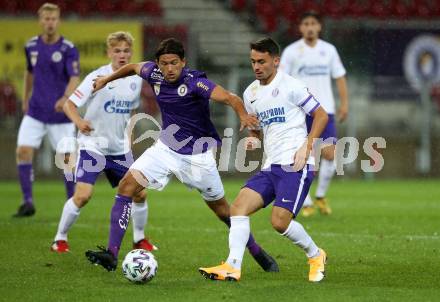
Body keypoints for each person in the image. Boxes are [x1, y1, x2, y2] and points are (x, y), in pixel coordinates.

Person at [84, 38, 279, 273]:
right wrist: (105, 80)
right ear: (158, 64)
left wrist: (243, 116)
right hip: (165, 150)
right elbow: (133, 67)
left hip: (198, 158)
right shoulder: (152, 73)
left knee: (223, 211)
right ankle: (111, 254)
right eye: (164, 63)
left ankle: (257, 252)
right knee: (126, 186)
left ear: (183, 62)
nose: (169, 69)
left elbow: (230, 98)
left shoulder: (195, 82)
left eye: (174, 63)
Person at [199, 37, 328, 282]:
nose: (256, 66)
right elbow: (257, 128)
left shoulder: (291, 85)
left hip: (296, 164)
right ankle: (232, 266)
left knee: (279, 222)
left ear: (275, 61)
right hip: (271, 166)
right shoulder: (251, 93)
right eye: (253, 61)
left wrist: (307, 145)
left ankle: (315, 254)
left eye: (262, 61)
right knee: (238, 208)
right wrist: (254, 140)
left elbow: (320, 115)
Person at [50, 31, 157, 253]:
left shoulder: (136, 80)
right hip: (93, 147)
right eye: (117, 50)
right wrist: (79, 122)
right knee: (82, 196)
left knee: (140, 193)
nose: (122, 55)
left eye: (126, 51)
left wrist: (129, 135)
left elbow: (131, 110)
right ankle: (59, 239)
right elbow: (69, 104)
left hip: (119, 150)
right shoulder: (96, 77)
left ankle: (139, 239)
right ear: (109, 52)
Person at [280, 11, 349, 217]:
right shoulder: (292, 51)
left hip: (325, 108)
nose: (310, 27)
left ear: (319, 27)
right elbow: (282, 79)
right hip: (300, 111)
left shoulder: (329, 50)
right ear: (301, 28)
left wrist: (344, 104)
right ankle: (307, 201)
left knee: (330, 153)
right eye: (306, 23)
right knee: (304, 154)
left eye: (313, 23)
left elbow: (340, 77)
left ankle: (320, 196)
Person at [14, 3, 80, 217]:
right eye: (46, 19)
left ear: (58, 21)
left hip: (60, 116)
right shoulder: (31, 46)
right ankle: (28, 202)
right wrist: (25, 99)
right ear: (40, 21)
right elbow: (29, 73)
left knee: (67, 161)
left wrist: (65, 97)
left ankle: (71, 203)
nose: (50, 23)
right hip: (35, 111)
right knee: (23, 151)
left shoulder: (68, 48)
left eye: (53, 19)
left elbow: (74, 77)